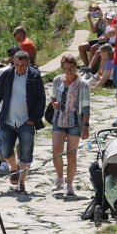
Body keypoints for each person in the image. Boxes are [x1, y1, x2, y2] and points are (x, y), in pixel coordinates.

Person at [0, 49, 45, 193]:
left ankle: (21, 183)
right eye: (17, 65)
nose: (20, 68)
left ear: (28, 64)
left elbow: (41, 100)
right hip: (7, 120)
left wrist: (33, 119)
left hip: (26, 121)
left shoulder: (35, 76)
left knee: (26, 153)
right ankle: (14, 169)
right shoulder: (6, 75)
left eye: (23, 66)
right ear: (13, 62)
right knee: (6, 151)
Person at [48, 55, 89, 196]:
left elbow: (86, 106)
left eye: (70, 68)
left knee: (71, 155)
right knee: (56, 151)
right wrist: (54, 103)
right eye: (65, 69)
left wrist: (85, 125)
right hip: (59, 118)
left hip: (75, 121)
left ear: (75, 67)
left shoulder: (82, 83)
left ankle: (70, 184)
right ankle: (60, 177)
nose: (68, 72)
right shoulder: (57, 80)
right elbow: (53, 97)